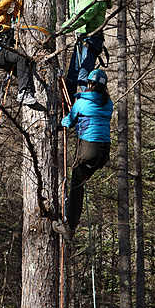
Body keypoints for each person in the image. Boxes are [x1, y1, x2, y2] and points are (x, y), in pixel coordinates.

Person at [52, 69, 112, 240]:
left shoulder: (81, 102)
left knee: (76, 184)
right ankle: (71, 222)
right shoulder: (109, 103)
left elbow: (70, 121)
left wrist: (62, 123)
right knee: (79, 182)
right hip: (103, 152)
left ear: (90, 84)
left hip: (89, 148)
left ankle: (70, 225)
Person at [59, 0, 113, 96]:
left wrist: (60, 31)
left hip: (91, 39)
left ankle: (91, 108)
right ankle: (68, 112)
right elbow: (75, 15)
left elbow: (83, 17)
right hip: (82, 39)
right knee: (71, 78)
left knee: (83, 77)